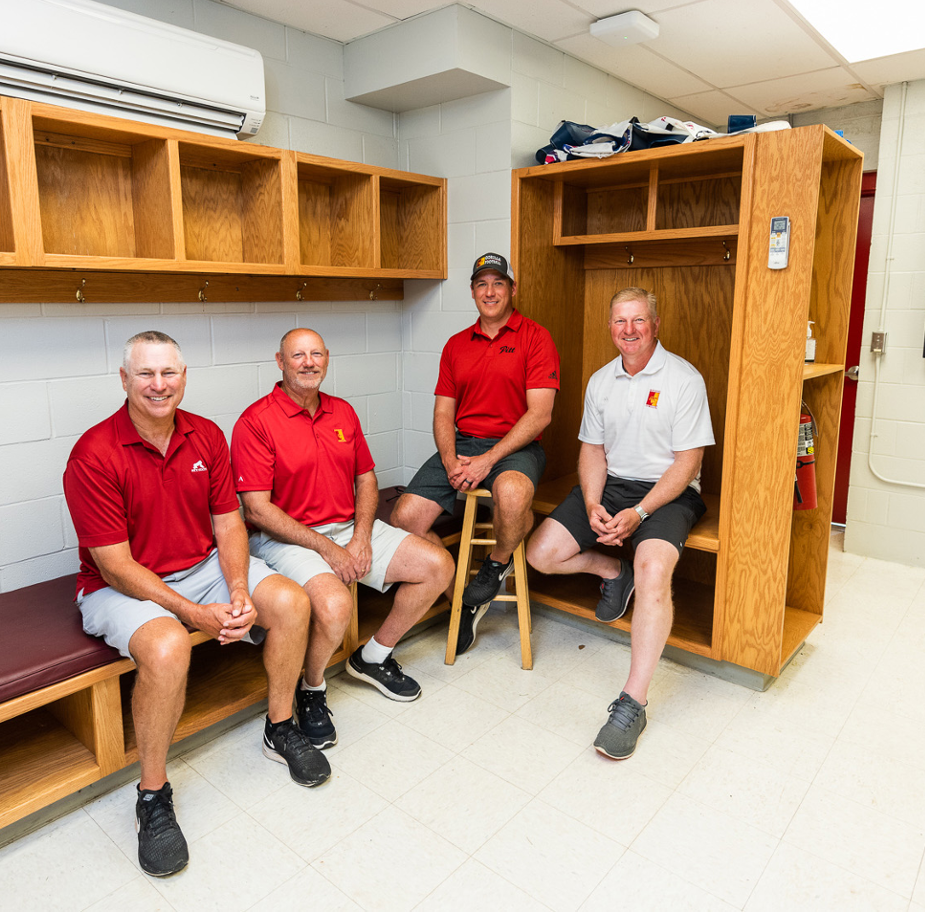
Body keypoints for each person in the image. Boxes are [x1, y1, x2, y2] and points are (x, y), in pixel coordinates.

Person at [62, 331, 328, 879]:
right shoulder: (94, 453)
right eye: (145, 374)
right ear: (124, 380)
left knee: (290, 601)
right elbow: (114, 564)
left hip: (202, 566)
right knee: (166, 646)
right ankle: (153, 795)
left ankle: (280, 726)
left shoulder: (206, 435)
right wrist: (190, 612)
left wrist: (234, 589)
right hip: (121, 585)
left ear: (184, 377)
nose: (159, 385)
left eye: (169, 373)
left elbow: (228, 521)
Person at [233, 329, 456, 743]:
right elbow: (257, 510)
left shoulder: (343, 412)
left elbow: (366, 480)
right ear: (280, 362)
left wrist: (362, 537)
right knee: (335, 606)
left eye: (316, 354)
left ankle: (373, 657)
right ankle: (312, 688)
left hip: (348, 527)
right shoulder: (255, 421)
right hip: (286, 540)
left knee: (437, 565)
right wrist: (329, 549)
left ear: (327, 358)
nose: (308, 362)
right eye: (297, 355)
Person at [524, 289, 713, 760]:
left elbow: (689, 461)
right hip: (611, 487)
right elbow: (592, 449)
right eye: (619, 322)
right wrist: (592, 503)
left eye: (638, 320)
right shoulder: (601, 380)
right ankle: (612, 572)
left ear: (655, 324)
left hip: (668, 493)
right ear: (610, 326)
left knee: (654, 572)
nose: (628, 330)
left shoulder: (683, 379)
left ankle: (634, 701)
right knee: (539, 554)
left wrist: (640, 513)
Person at [388, 252, 559, 655]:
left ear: (512, 289)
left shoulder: (536, 337)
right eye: (482, 284)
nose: (490, 291)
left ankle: (496, 565)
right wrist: (450, 461)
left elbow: (540, 415)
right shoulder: (455, 345)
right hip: (463, 445)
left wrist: (486, 461)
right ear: (472, 292)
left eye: (498, 283)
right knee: (405, 519)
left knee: (514, 495)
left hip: (516, 446)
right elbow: (443, 412)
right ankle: (462, 603)